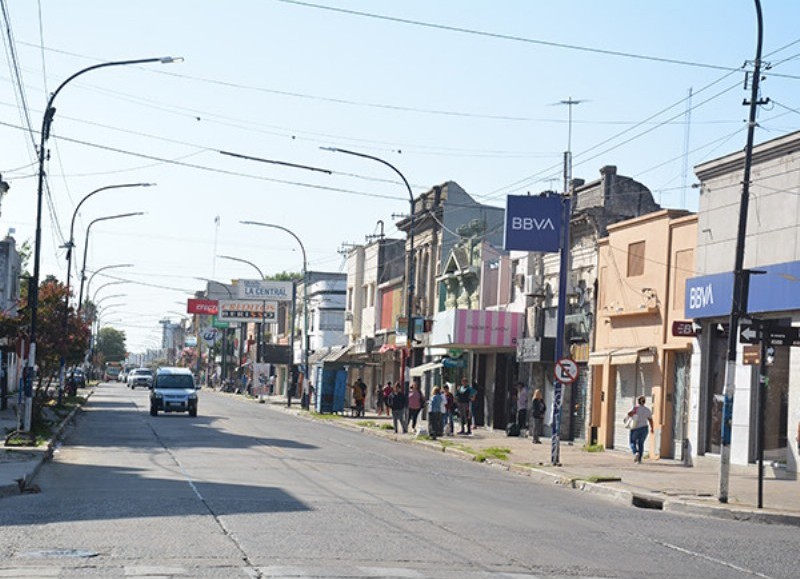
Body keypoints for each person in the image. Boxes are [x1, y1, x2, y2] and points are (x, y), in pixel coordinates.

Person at [627, 395, 654, 463]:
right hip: (644, 428)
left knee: (632, 442)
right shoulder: (647, 410)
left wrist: (631, 413)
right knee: (641, 443)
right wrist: (652, 428)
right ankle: (639, 460)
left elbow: (629, 414)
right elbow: (650, 419)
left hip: (635, 427)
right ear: (644, 402)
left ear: (638, 401)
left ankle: (636, 452)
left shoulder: (635, 408)